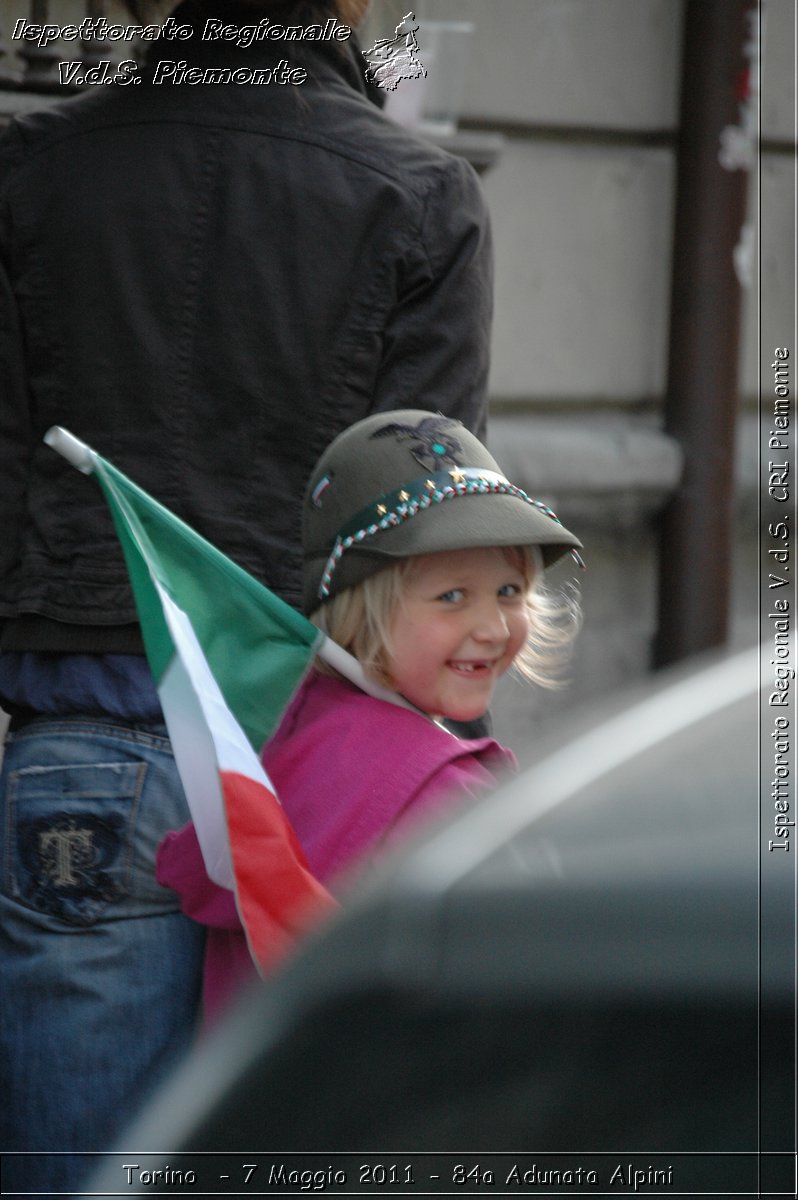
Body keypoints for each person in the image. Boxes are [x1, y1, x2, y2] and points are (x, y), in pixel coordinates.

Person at [0, 1, 493, 1192]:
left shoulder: (28, 171)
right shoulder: (420, 192)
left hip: (87, 749)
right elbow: (427, 541)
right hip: (318, 765)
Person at [157, 409, 583, 1019]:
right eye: (452, 596)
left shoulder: (287, 741)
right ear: (361, 610)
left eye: (509, 592)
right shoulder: (440, 792)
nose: (492, 627)